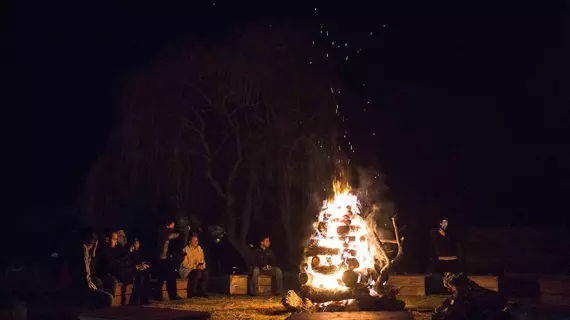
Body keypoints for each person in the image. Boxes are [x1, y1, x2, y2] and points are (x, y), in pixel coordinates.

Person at [70, 227, 113, 309]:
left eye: (94, 241)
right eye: (92, 240)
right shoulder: (82, 248)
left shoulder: (88, 250)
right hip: (79, 285)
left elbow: (91, 272)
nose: (93, 243)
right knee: (108, 298)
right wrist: (91, 286)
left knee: (97, 281)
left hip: (85, 282)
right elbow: (84, 276)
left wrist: (93, 253)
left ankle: (93, 304)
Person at [155, 218, 182, 300]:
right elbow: (169, 237)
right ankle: (159, 295)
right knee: (163, 277)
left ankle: (172, 295)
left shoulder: (166, 232)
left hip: (168, 258)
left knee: (170, 276)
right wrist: (179, 233)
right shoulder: (164, 232)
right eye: (173, 223)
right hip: (163, 258)